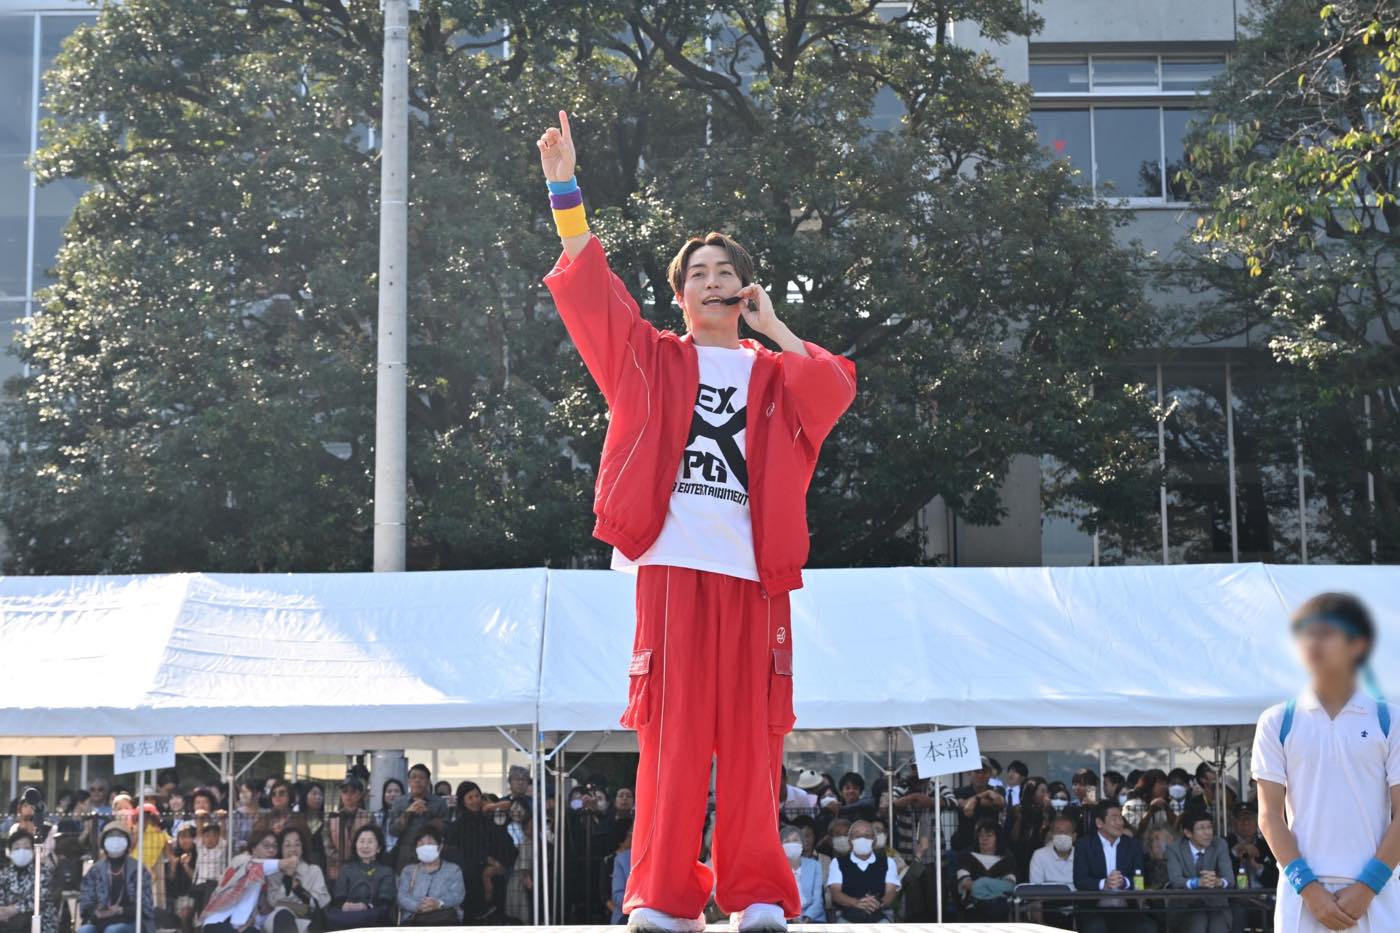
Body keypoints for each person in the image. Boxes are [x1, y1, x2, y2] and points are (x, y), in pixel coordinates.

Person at [538, 108, 855, 933]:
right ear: (679, 296)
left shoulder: (776, 373)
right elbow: (592, 290)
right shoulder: (650, 358)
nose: (713, 283)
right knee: (672, 741)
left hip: (755, 574)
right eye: (699, 275)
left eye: (726, 273)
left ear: (745, 291)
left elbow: (834, 389)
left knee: (753, 742)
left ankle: (756, 893)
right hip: (672, 566)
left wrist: (774, 326)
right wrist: (565, 189)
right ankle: (665, 895)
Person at [1253, 592, 1400, 933]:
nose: (1313, 643)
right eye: (1307, 633)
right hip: (1302, 902)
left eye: (1327, 632)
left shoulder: (1390, 720)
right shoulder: (1277, 721)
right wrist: (1309, 889)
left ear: (1357, 644)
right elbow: (1269, 815)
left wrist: (1367, 887)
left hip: (1377, 898)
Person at [1071, 802, 1151, 933]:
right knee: (1096, 928)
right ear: (1099, 823)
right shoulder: (1084, 844)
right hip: (1094, 909)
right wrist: (1104, 884)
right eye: (1114, 818)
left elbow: (1140, 879)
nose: (1120, 823)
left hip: (1126, 909)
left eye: (1121, 818)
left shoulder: (1133, 845)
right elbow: (1080, 880)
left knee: (1147, 927)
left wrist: (1124, 882)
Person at [196, 828, 295, 933]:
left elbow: (269, 908)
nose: (271, 850)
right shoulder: (242, 861)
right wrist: (283, 863)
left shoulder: (273, 874)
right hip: (219, 921)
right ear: (253, 848)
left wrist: (254, 919)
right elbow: (256, 866)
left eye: (274, 846)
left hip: (244, 924)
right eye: (266, 846)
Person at [448, 781, 515, 922]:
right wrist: (487, 860)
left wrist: (499, 863)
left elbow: (503, 842)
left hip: (496, 874)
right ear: (463, 801)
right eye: (470, 797)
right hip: (471, 879)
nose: (475, 801)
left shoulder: (488, 819)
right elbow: (466, 850)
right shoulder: (458, 826)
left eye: (477, 796)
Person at [1166, 809, 1233, 933]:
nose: (1208, 833)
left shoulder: (1220, 844)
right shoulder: (1174, 849)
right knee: (1198, 921)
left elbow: (1229, 879)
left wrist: (1218, 882)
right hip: (1185, 907)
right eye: (1201, 828)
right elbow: (1176, 880)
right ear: (1188, 833)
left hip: (1216, 905)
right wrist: (1197, 882)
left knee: (1218, 924)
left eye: (1209, 827)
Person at [78, 824, 154, 933]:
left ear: (127, 842)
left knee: (113, 930)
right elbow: (86, 903)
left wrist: (120, 910)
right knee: (84, 930)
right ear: (103, 843)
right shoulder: (95, 870)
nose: (115, 840)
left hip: (131, 921)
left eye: (119, 836)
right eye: (111, 837)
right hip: (100, 921)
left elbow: (146, 907)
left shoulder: (138, 870)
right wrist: (97, 913)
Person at [323, 825, 395, 931]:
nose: (365, 846)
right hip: (347, 918)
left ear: (379, 848)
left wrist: (365, 906)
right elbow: (339, 896)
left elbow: (385, 899)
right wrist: (345, 906)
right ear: (356, 845)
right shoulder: (346, 869)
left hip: (376, 920)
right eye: (361, 841)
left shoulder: (386, 871)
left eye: (370, 842)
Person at [826, 820, 898, 923]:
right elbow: (835, 893)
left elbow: (891, 892)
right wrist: (857, 903)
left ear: (874, 840)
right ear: (850, 841)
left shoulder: (888, 862)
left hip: (880, 915)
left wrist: (877, 904)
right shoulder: (837, 862)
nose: (862, 839)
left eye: (867, 835)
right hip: (847, 916)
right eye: (857, 835)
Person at [259, 827, 328, 933]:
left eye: (297, 844)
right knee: (283, 914)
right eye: (288, 845)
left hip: (306, 919)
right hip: (278, 918)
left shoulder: (314, 870)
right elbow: (273, 902)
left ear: (302, 847)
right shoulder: (274, 874)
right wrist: (288, 876)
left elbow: (322, 900)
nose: (293, 849)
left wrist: (298, 889)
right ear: (281, 849)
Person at [397, 827, 464, 926]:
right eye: (421, 844)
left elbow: (458, 894)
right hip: (414, 920)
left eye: (430, 843)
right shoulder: (408, 870)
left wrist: (439, 903)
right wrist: (418, 906)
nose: (425, 847)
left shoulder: (453, 870)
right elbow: (402, 897)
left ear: (440, 846)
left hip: (444, 920)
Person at [389, 766, 448, 870]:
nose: (417, 780)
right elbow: (393, 831)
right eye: (414, 777)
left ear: (428, 781)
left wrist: (428, 814)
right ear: (408, 781)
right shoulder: (399, 803)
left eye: (422, 777)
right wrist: (408, 813)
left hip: (432, 858)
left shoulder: (439, 803)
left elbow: (446, 830)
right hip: (405, 858)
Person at [955, 820, 1015, 921]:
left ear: (998, 838)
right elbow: (965, 884)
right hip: (973, 910)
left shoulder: (1007, 859)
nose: (984, 838)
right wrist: (995, 885)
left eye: (989, 835)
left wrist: (982, 884)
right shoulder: (966, 856)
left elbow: (1009, 886)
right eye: (981, 835)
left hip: (1000, 909)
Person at [0, 831, 59, 933]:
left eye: (26, 847)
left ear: (33, 850)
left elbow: (40, 898)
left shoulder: (43, 871)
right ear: (9, 852)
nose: (21, 851)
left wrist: (14, 909)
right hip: (9, 922)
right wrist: (3, 911)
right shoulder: (4, 874)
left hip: (41, 922)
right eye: (16, 848)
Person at [323, 778, 372, 883]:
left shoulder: (369, 817)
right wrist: (341, 857)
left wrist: (358, 858)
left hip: (362, 868)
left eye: (353, 792)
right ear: (341, 795)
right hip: (337, 870)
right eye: (345, 792)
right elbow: (327, 845)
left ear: (360, 795)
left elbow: (373, 843)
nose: (348, 795)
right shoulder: (331, 817)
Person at [951, 758, 1005, 851]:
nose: (980, 775)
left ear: (990, 774)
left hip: (990, 845)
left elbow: (999, 803)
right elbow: (963, 804)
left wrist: (974, 800)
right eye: (976, 772)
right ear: (969, 773)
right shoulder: (960, 791)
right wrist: (986, 794)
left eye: (984, 772)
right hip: (965, 843)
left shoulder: (997, 790)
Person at [778, 826, 823, 923]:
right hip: (785, 918)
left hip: (813, 918)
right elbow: (777, 899)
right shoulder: (776, 868)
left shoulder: (815, 865)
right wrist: (792, 917)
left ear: (802, 843)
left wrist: (807, 919)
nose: (791, 844)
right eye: (787, 841)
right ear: (780, 845)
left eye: (795, 840)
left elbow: (818, 901)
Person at [1028, 814, 1077, 886]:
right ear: (1052, 835)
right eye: (1058, 831)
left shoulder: (1082, 856)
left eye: (1066, 831)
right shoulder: (1039, 855)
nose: (1062, 835)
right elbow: (1036, 888)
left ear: (1074, 836)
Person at [191, 821, 228, 912]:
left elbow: (223, 834)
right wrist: (200, 818)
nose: (210, 839)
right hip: (200, 884)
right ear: (203, 838)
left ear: (218, 837)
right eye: (207, 836)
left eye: (214, 836)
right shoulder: (201, 848)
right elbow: (199, 831)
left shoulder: (221, 848)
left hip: (215, 884)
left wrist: (222, 819)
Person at [295, 786, 327, 871]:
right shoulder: (296, 819)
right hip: (299, 862)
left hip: (321, 865)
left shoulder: (326, 820)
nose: (318, 797)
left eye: (321, 794)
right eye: (314, 793)